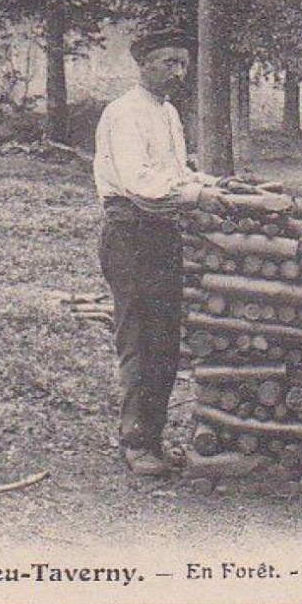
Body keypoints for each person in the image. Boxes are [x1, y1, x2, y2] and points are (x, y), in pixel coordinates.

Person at [94, 31, 211, 477]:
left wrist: (202, 188)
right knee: (141, 337)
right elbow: (141, 183)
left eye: (182, 63)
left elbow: (176, 175)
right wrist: (196, 196)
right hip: (131, 232)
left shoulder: (168, 115)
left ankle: (153, 440)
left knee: (165, 339)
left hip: (162, 232)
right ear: (143, 65)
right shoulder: (124, 114)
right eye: (168, 63)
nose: (178, 72)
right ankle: (136, 443)